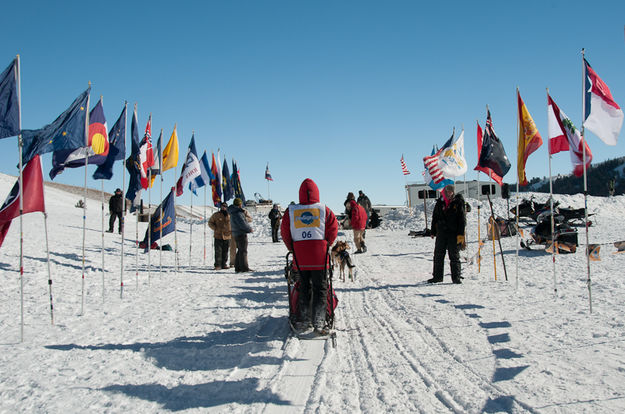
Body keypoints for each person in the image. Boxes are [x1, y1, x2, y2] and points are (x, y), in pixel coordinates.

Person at [281, 178, 338, 333]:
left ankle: (305, 319)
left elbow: (285, 231)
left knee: (303, 286)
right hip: (320, 257)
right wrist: (327, 244)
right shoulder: (324, 210)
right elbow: (333, 228)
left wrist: (292, 248)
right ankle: (319, 320)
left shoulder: (291, 211)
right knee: (321, 288)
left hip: (300, 258)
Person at [428, 184, 466, 284]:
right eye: (447, 191)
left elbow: (462, 220)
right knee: (438, 255)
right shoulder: (439, 203)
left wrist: (461, 234)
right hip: (441, 233)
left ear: (453, 192)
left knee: (454, 256)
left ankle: (456, 277)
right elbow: (435, 217)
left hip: (454, 233)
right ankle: (437, 277)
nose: (449, 193)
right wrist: (433, 231)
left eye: (451, 191)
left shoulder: (458, 202)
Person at [228, 198, 253, 272]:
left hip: (236, 233)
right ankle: (244, 268)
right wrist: (249, 229)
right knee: (243, 251)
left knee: (240, 250)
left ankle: (238, 267)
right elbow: (242, 223)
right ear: (239, 204)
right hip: (240, 233)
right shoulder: (238, 213)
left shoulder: (233, 212)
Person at [208, 202, 231, 270]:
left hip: (227, 236)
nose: (224, 208)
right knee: (218, 251)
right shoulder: (216, 215)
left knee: (225, 251)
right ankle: (217, 265)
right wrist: (215, 228)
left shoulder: (230, 215)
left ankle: (224, 264)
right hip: (218, 235)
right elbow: (210, 223)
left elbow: (234, 223)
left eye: (225, 206)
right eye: (222, 206)